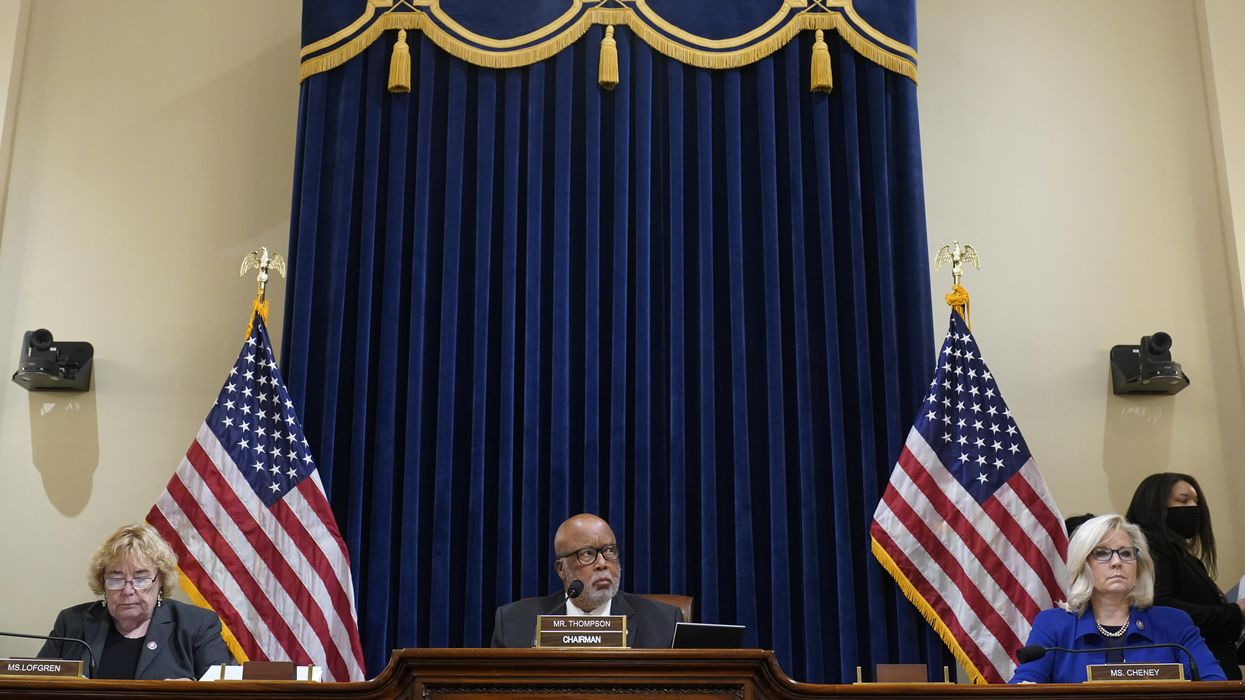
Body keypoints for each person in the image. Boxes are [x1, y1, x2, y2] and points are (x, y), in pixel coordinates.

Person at [1009, 514, 1224, 683]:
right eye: (1102, 553)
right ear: (1083, 565)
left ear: (1139, 566)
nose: (1116, 562)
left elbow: (1214, 685)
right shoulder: (1054, 625)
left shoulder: (1174, 623)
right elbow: (1025, 685)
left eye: (1126, 553)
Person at [38, 523, 232, 679]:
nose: (128, 590)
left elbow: (226, 694)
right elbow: (33, 684)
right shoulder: (72, 623)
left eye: (140, 579)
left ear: (161, 581)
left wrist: (191, 694)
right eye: (116, 579)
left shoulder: (196, 626)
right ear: (102, 582)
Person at [491, 513, 683, 648]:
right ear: (561, 569)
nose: (602, 563)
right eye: (587, 554)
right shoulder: (513, 623)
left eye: (609, 551)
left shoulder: (663, 623)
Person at [1126, 472, 1243, 679]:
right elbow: (1164, 605)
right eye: (1183, 500)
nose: (1194, 508)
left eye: (1196, 501)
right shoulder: (1152, 544)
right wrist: (1235, 611)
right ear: (1156, 505)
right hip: (1190, 668)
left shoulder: (1183, 556)